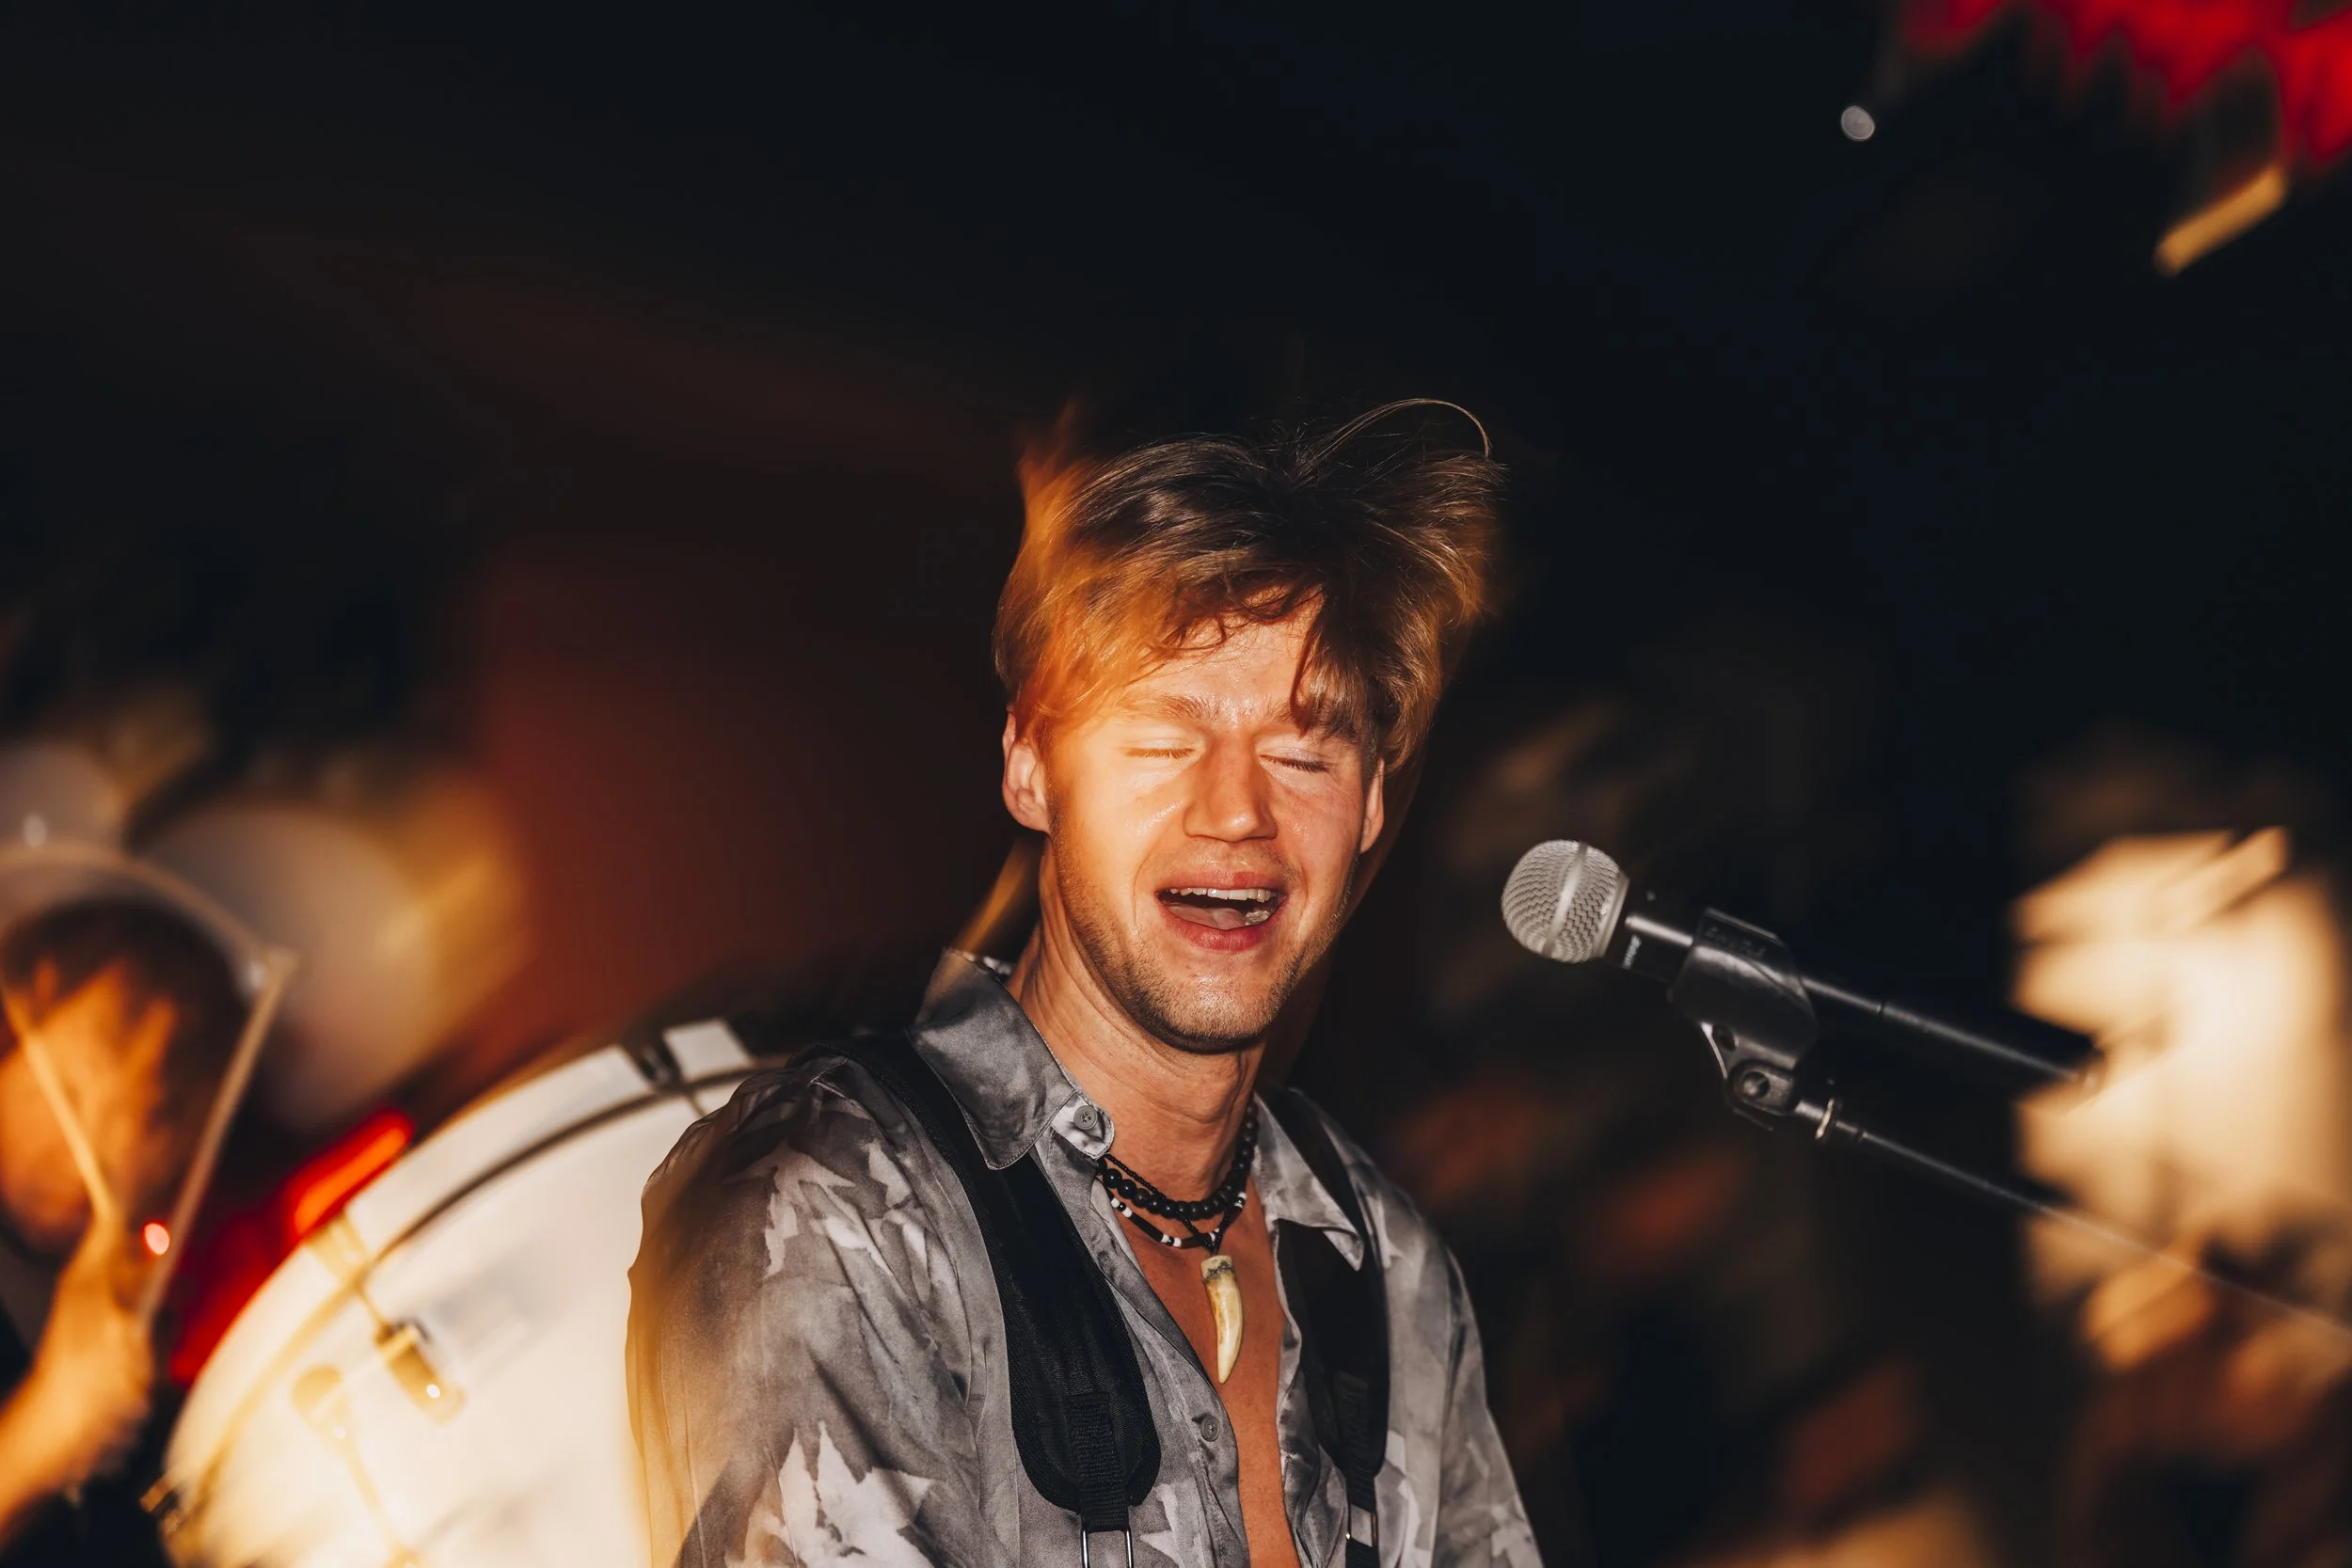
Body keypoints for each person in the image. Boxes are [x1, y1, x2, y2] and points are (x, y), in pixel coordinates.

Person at [628, 406, 1545, 1567]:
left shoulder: (1390, 1262)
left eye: (1304, 749)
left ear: (1367, 802)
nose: (1237, 811)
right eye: (1164, 739)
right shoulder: (832, 1205)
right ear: (1029, 765)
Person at [0, 898, 245, 1560]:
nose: (70, 1163)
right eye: (70, 1096)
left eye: (116, 1147)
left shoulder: (124, 1345)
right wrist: (40, 1434)